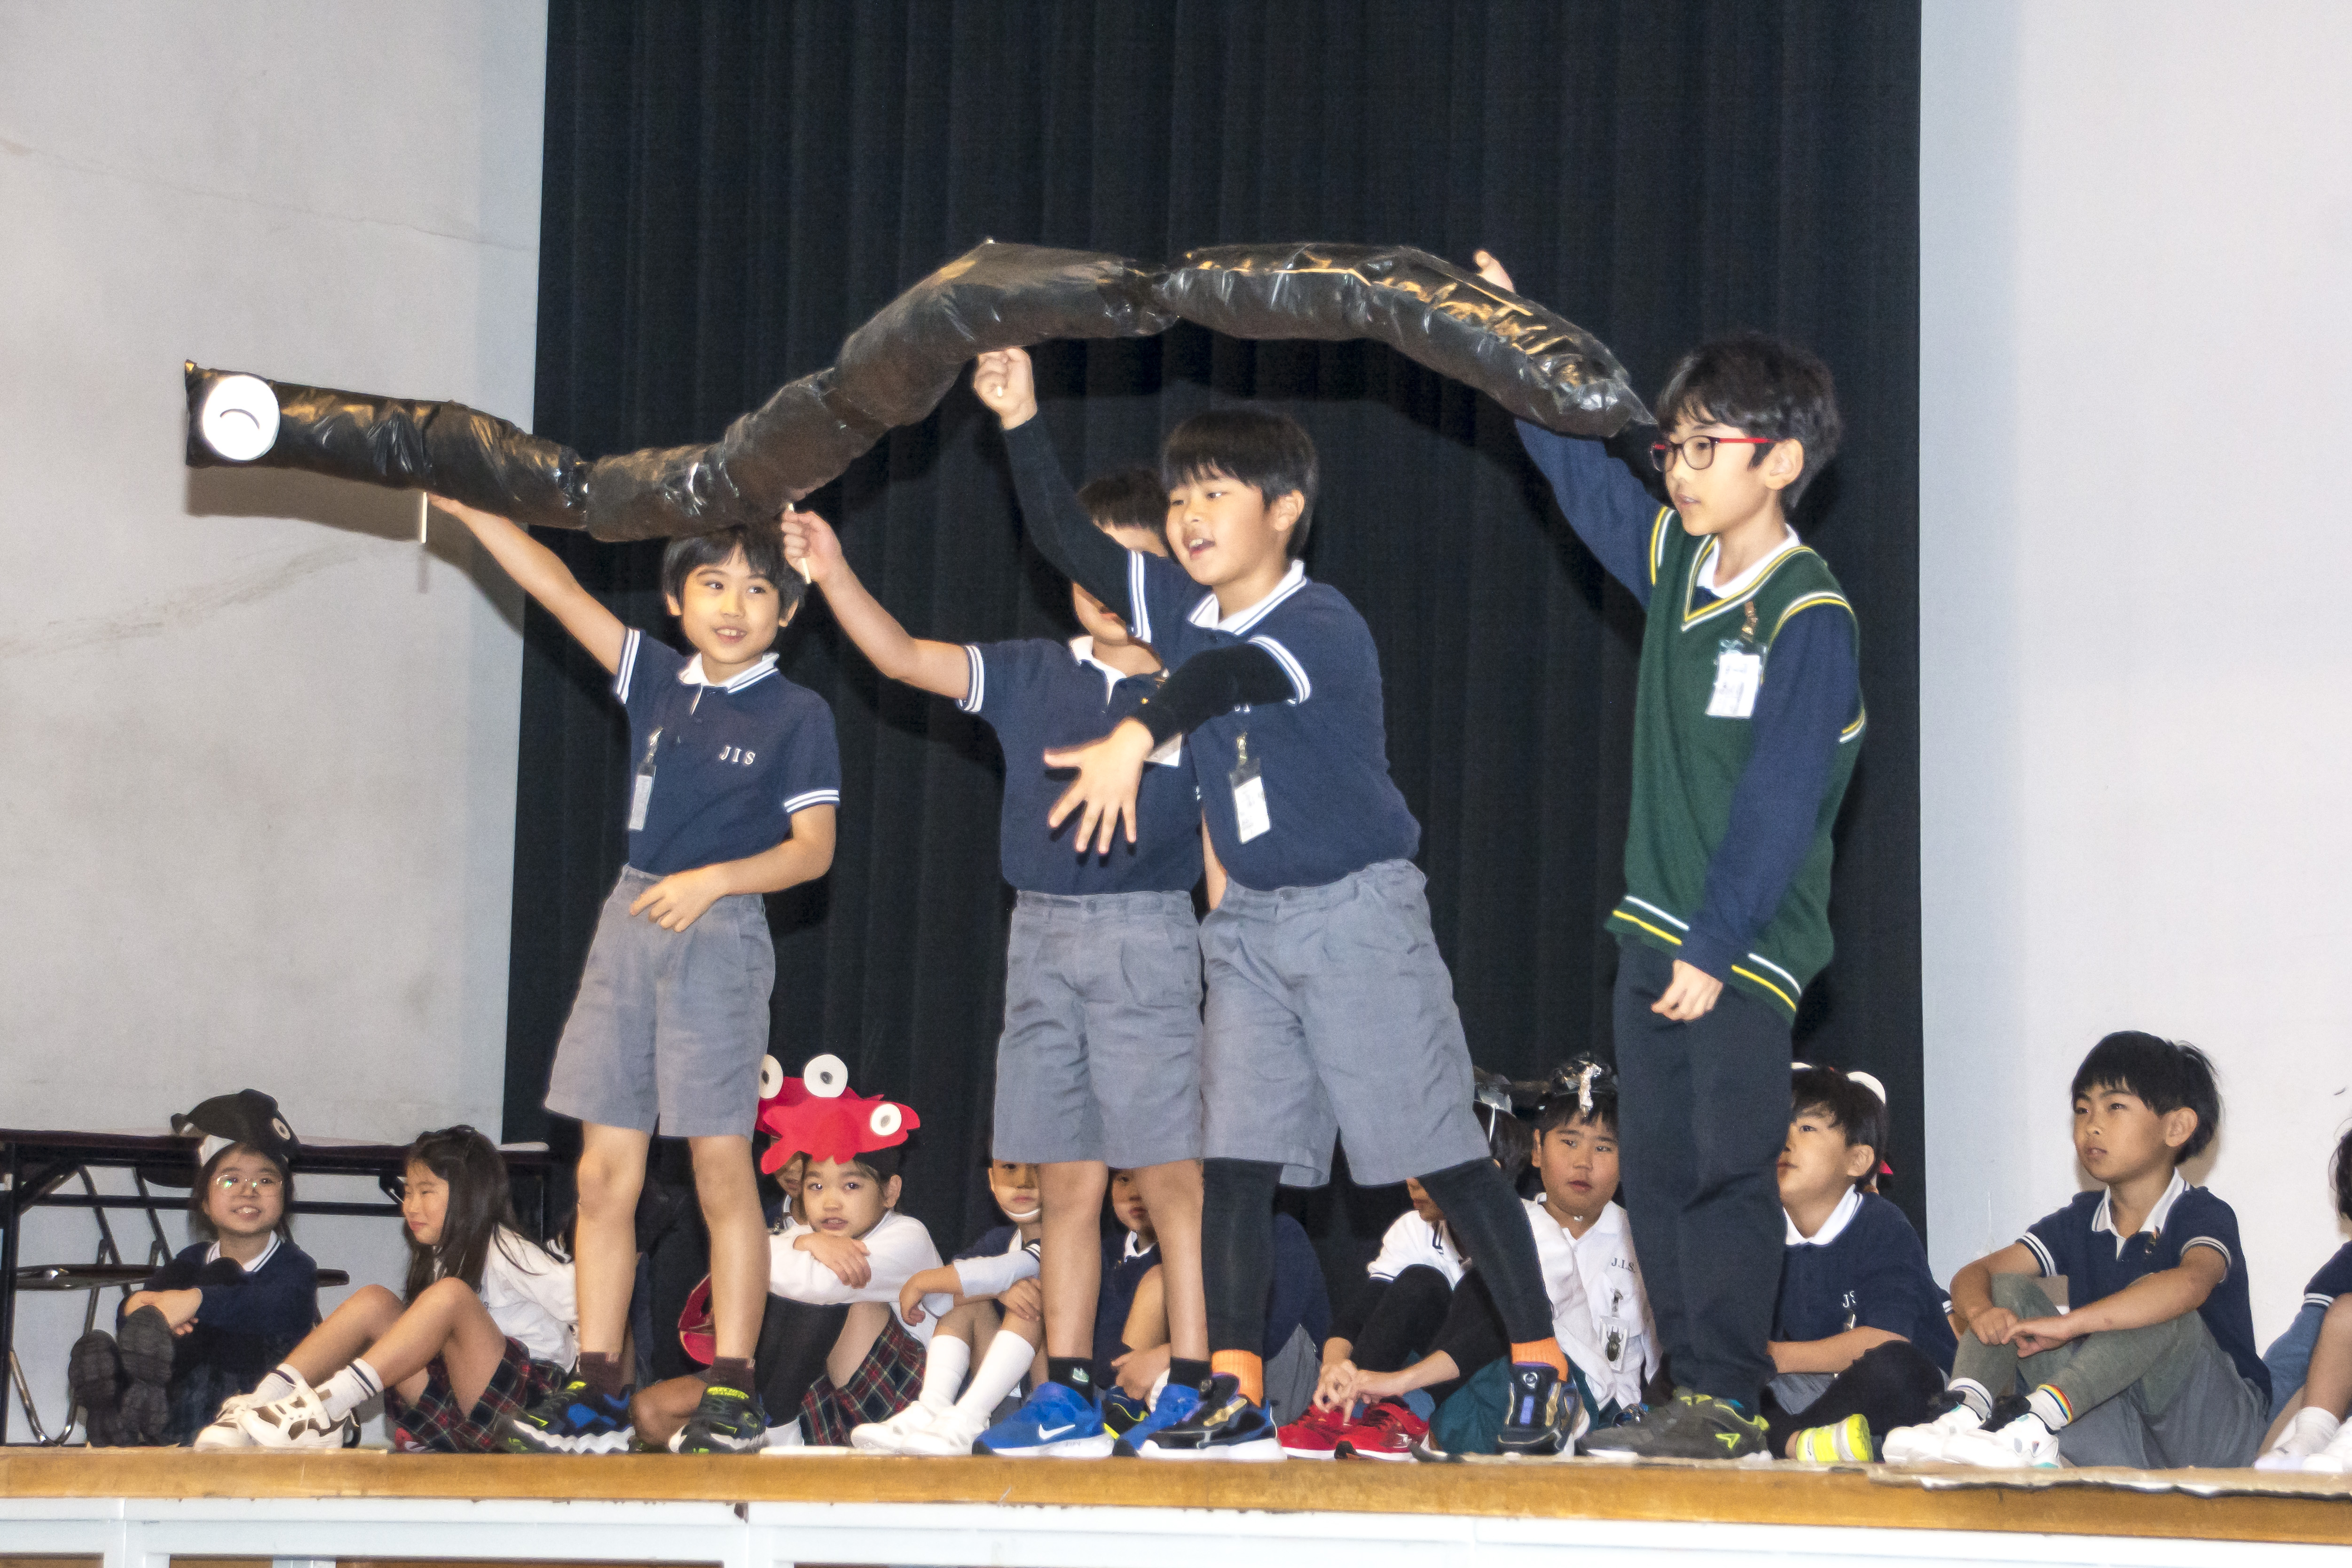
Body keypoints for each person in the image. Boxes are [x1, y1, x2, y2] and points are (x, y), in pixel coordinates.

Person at [973, 346, 1580, 1460]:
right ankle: (1235, 1386)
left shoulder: (1318, 622)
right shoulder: (1178, 604)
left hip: (1355, 917)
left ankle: (1543, 1365)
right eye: (1179, 497)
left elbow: (1223, 676)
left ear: (1284, 508)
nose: (1189, 515)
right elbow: (1069, 539)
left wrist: (1134, 733)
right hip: (1249, 924)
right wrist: (1018, 418)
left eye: (1215, 493)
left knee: (1443, 1154)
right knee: (1236, 1164)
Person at [1477, 250, 1861, 1460]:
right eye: (1673, 448)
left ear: (1778, 462)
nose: (1679, 470)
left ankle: (1727, 1396)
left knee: (1721, 1167)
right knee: (1656, 1170)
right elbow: (1577, 478)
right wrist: (1511, 346)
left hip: (1738, 947)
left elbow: (1779, 798)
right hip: (1653, 931)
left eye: (1705, 447)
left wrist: (1716, 941)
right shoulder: (1678, 562)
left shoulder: (1806, 613)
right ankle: (1685, 1387)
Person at [777, 485, 1212, 1459]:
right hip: (1041, 938)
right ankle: (1067, 1387)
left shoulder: (1199, 685)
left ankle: (1192, 1382)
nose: (1105, 586)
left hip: (1146, 933)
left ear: (1171, 576)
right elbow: (901, 656)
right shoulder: (1028, 670)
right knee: (1067, 1183)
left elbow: (1225, 838)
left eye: (1128, 566)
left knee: (1169, 1176)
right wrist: (832, 570)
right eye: (1087, 563)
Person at [423, 496, 841, 1457]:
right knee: (603, 1172)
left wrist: (716, 880)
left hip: (719, 931)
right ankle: (597, 1379)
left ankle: (731, 1386)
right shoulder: (655, 677)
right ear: (675, 599)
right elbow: (555, 586)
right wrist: (472, 507)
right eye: (712, 584)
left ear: (786, 610)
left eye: (757, 589)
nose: (732, 604)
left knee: (717, 1166)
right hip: (631, 921)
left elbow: (813, 849)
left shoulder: (796, 712)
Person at [1884, 1034, 2267, 1468]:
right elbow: (1975, 1275)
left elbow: (2190, 1284)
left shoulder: (2202, 1213)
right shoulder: (2079, 1219)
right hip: (2120, 1435)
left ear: (2176, 1127)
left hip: (2212, 1437)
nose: (2092, 1125)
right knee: (2006, 1289)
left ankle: (2033, 1422)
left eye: (2114, 1106)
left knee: (2160, 1304)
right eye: (2082, 1109)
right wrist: (1980, 1312)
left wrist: (2069, 1326)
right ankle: (1964, 1415)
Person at [195, 1127, 575, 1452]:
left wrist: (589, 1391)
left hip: (528, 1409)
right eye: (408, 1192)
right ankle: (260, 1403)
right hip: (465, 1410)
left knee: (452, 1296)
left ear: (470, 1193)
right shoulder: (441, 1257)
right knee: (375, 1301)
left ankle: (326, 1407)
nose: (411, 1206)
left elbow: (583, 1301)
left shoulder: (504, 1246)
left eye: (426, 1191)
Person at [630, 1068, 941, 1450]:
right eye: (816, 1186)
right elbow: (742, 1259)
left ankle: (773, 1428)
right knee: (649, 1411)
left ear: (890, 1191)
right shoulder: (800, 1235)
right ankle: (745, 1435)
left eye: (851, 1185)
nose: (831, 1201)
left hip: (893, 1400)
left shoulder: (907, 1235)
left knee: (837, 1294)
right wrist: (804, 1243)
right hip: (811, 1392)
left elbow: (814, 1284)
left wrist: (793, 1249)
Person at [1281, 1099, 1534, 1459]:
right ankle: (1344, 1411)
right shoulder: (1414, 1227)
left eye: (1431, 1164)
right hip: (1438, 1394)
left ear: (1485, 1174)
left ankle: (1406, 1407)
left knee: (1482, 1286)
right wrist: (1335, 1368)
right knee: (1420, 1281)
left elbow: (1504, 1335)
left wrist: (1398, 1382)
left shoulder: (1535, 1230)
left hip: (1520, 1397)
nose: (1412, 1178)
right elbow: (1362, 1310)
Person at [71, 1093, 319, 1446]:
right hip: (180, 1403)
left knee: (224, 1288)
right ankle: (117, 1409)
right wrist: (137, 1306)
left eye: (266, 1181)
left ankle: (156, 1422)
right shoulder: (192, 1258)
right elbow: (139, 1325)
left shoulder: (296, 1266)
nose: (249, 1191)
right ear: (205, 1201)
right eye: (230, 1180)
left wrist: (195, 1301)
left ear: (285, 1197)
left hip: (254, 1408)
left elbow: (271, 1307)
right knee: (154, 1334)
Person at [1757, 1065, 1952, 1463]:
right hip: (1809, 1392)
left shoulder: (1881, 1224)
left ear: (1858, 1159)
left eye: (1806, 1128)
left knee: (1897, 1368)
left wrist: (1777, 1356)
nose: (1785, 1141)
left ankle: (1790, 1444)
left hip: (1902, 1398)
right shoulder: (1761, 1233)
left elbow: (1885, 1338)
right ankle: (1803, 1445)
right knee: (1697, 1358)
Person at [851, 1158, 1051, 1455]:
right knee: (967, 1304)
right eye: (1010, 1167)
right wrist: (996, 1291)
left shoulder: (1070, 1243)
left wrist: (921, 1281)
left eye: (1037, 1167)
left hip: (1047, 1407)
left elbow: (1004, 1271)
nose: (1024, 1180)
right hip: (1001, 1402)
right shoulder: (998, 1241)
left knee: (1030, 1303)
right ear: (992, 1179)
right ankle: (933, 1409)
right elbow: (940, 1299)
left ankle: (970, 1417)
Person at [2255, 1127, 2352, 1471]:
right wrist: (2253, 1433)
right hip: (2337, 1421)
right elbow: (2292, 1358)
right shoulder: (2346, 1270)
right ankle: (2312, 1438)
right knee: (2345, 1314)